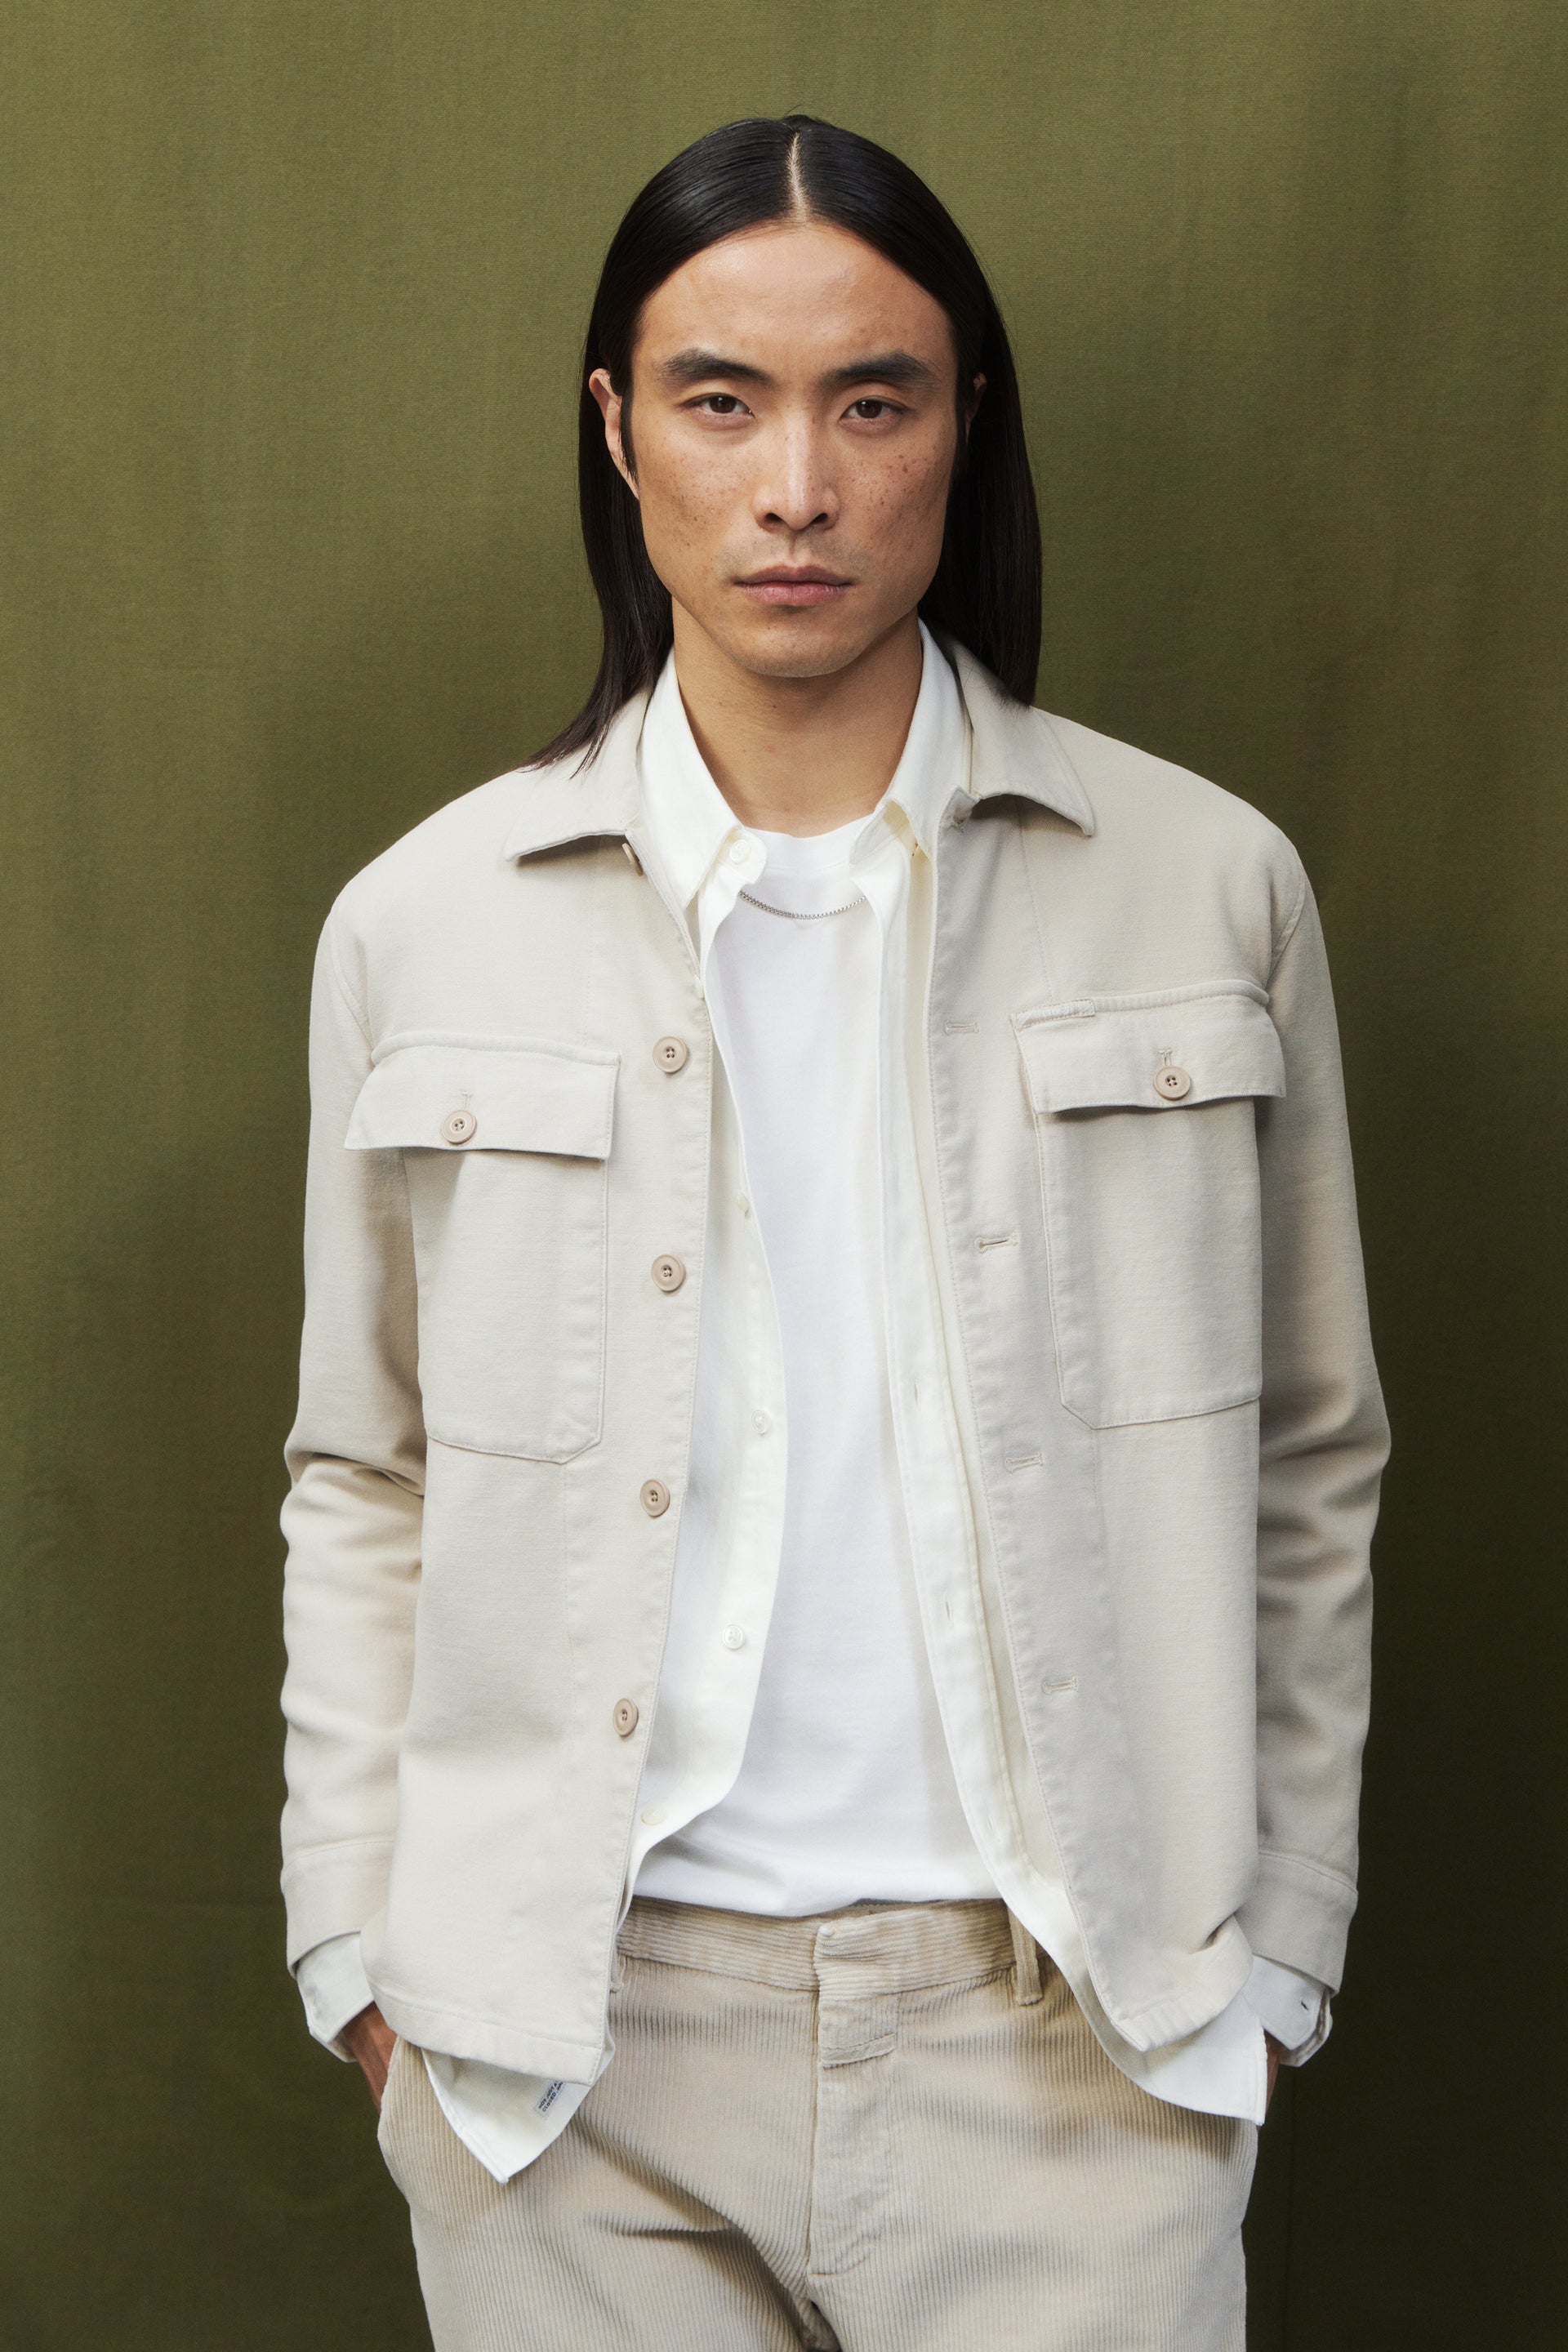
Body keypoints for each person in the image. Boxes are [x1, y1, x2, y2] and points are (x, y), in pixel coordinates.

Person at [279, 114, 1388, 2352]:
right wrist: (360, 1953)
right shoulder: (422, 922)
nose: (797, 486)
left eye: (872, 402)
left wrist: (1274, 1949)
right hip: (561, 2060)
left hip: (1082, 2040)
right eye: (723, 401)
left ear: (965, 428)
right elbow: (366, 1470)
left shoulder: (1209, 888)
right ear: (619, 434)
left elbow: (1308, 1450)